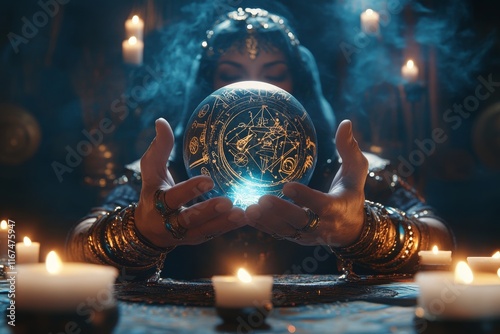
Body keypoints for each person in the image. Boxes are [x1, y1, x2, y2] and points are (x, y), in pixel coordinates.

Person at [66, 4, 455, 281]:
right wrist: (140, 230)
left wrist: (361, 228)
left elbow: (439, 240)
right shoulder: (164, 176)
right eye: (230, 75)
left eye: (275, 74)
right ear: (207, 85)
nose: (255, 92)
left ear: (298, 84)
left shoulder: (344, 170)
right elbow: (78, 247)